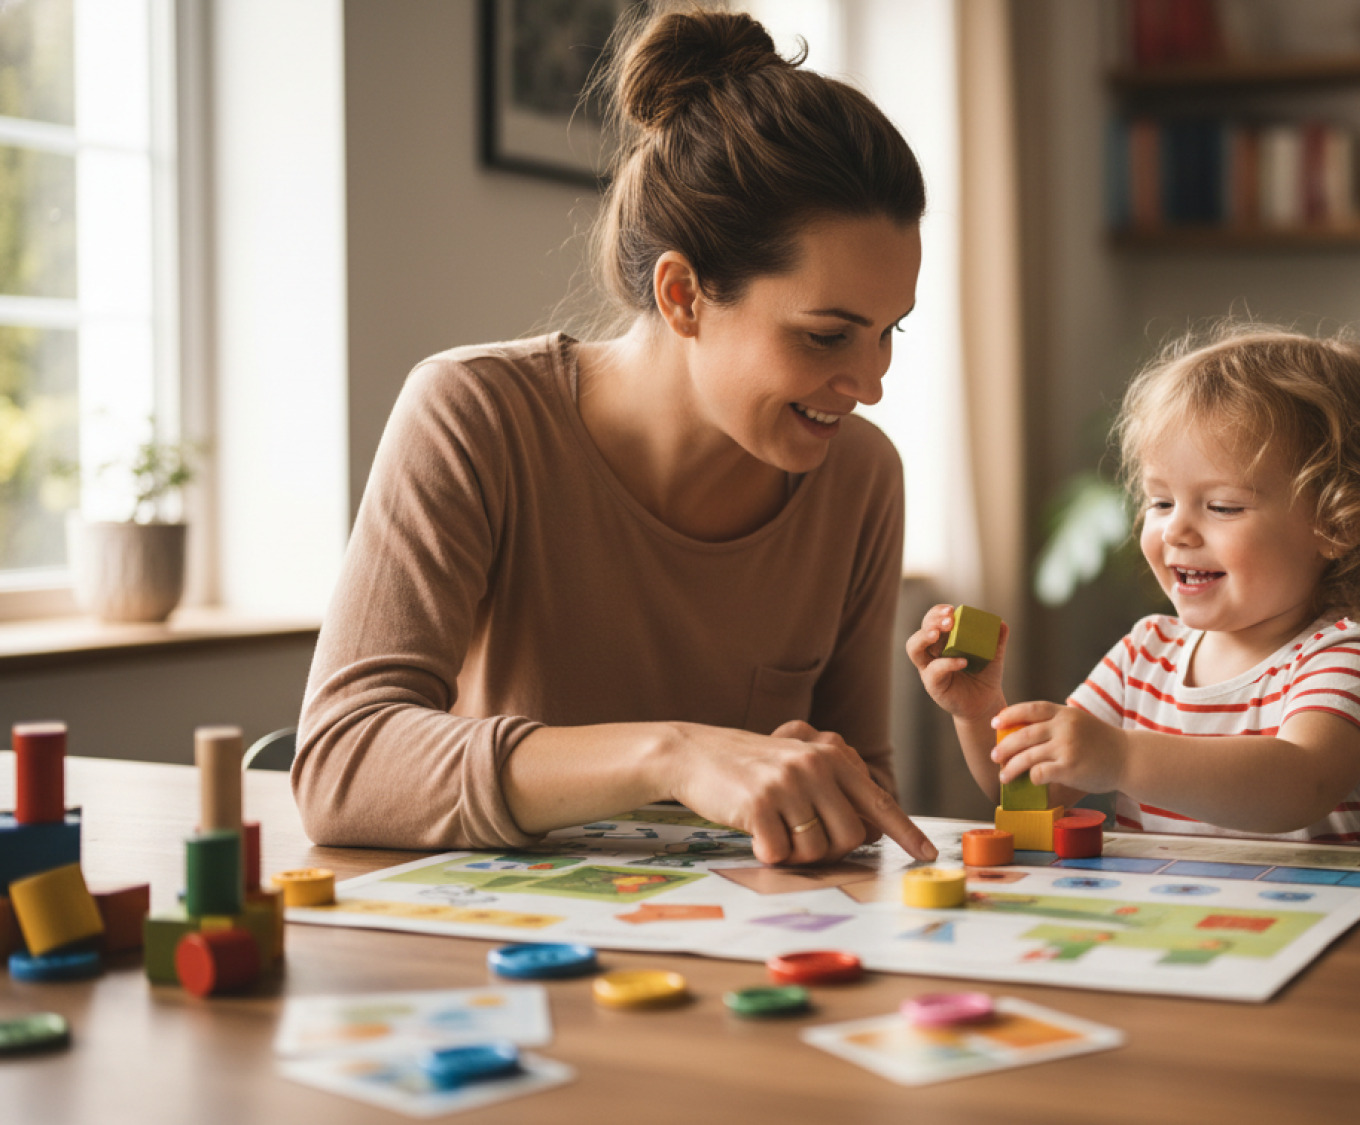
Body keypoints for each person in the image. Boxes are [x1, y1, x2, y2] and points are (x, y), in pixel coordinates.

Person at [294, 6, 936, 866]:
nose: (872, 384)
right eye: (827, 336)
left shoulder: (860, 477)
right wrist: (672, 754)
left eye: (891, 330)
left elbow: (865, 795)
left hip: (749, 965)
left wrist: (833, 787)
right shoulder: (473, 416)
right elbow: (343, 761)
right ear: (683, 296)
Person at [909, 324, 1360, 843]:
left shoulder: (1348, 661)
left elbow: (1298, 786)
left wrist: (1121, 757)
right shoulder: (1143, 655)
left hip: (1325, 929)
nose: (1177, 530)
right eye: (1160, 502)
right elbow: (1037, 790)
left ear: (1337, 523)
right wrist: (980, 713)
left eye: (1222, 506)